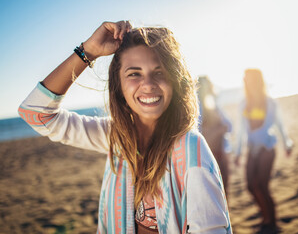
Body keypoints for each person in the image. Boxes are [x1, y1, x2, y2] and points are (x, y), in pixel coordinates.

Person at [19, 21, 232, 234]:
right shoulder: (115, 137)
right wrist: (88, 52)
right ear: (118, 86)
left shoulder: (190, 147)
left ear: (175, 81)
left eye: (159, 72)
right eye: (134, 73)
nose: (148, 84)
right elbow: (36, 113)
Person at [235, 69, 293, 234]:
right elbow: (240, 130)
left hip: (267, 147)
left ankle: (271, 222)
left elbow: (280, 126)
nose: (245, 82)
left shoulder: (270, 103)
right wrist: (238, 152)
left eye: (248, 79)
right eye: (244, 79)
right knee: (250, 186)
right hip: (251, 149)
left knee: (262, 185)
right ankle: (265, 216)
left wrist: (287, 145)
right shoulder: (243, 103)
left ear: (257, 81)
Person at [197, 76, 232, 197]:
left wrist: (216, 130)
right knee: (213, 194)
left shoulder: (214, 104)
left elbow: (229, 126)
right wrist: (218, 130)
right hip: (208, 156)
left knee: (224, 192)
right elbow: (198, 133)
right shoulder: (197, 108)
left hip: (222, 153)